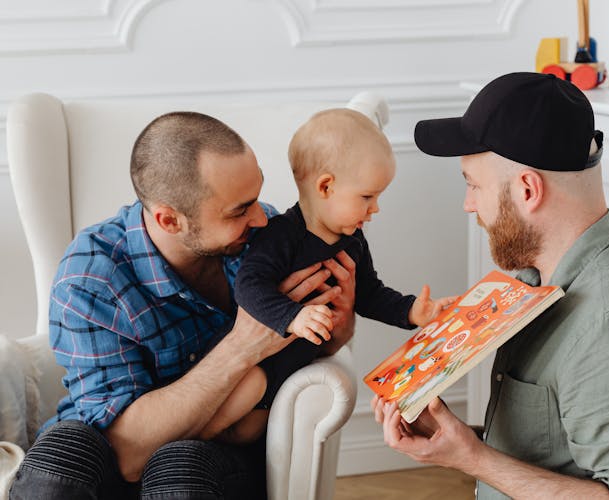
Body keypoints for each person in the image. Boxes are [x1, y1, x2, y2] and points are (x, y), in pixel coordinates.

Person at [371, 72, 609, 499]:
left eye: (474, 185)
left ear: (528, 189)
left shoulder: (607, 326)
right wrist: (452, 439)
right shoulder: (534, 279)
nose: (468, 204)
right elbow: (552, 449)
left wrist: (471, 458)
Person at [10, 111, 357, 499]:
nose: (261, 218)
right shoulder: (92, 277)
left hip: (214, 460)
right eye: (239, 210)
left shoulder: (267, 241)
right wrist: (244, 345)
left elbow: (311, 342)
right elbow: (126, 454)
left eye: (256, 197)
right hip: (115, 448)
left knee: (180, 466)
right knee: (61, 457)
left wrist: (338, 326)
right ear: (170, 220)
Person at [198, 108, 455, 442]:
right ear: (326, 186)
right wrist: (293, 316)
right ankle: (185, 448)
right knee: (242, 401)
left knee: (252, 433)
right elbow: (248, 287)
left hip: (293, 374)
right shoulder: (280, 235)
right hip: (258, 365)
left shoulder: (353, 242)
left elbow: (370, 293)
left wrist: (412, 311)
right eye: (367, 197)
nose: (375, 208)